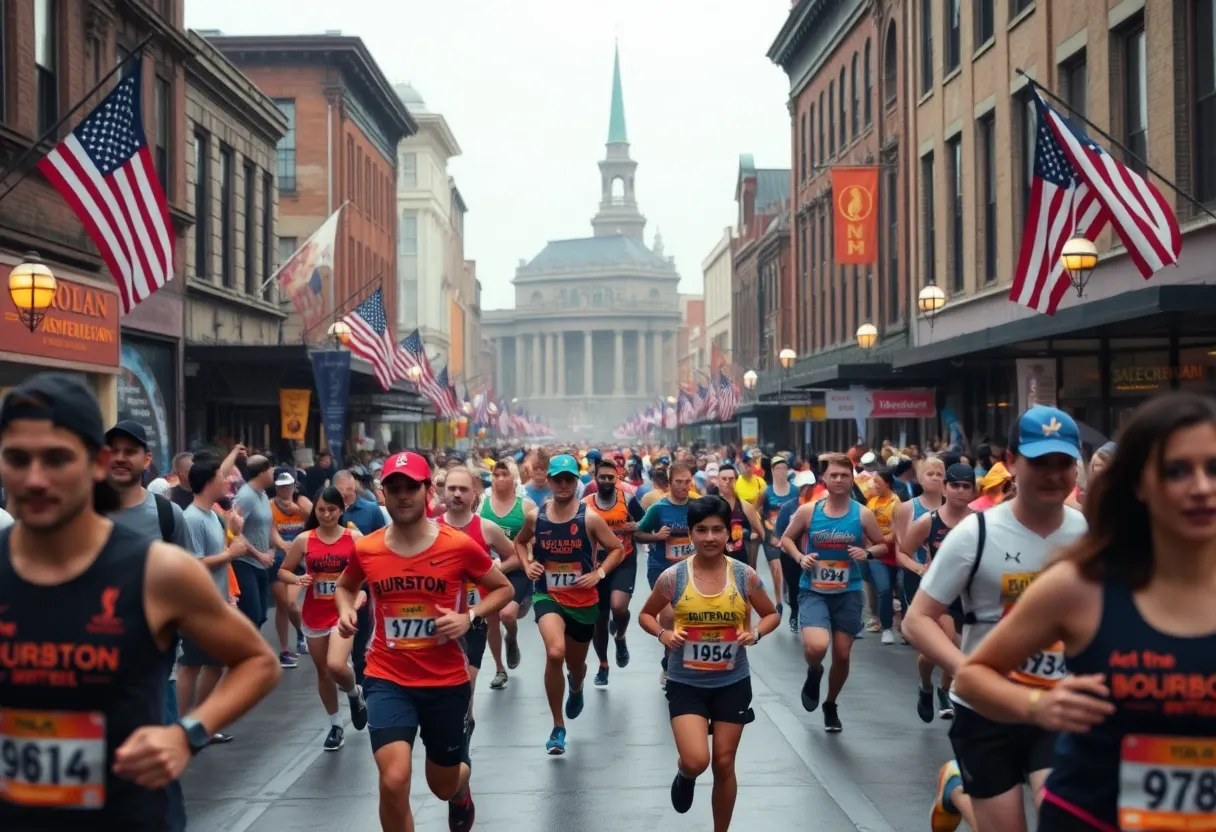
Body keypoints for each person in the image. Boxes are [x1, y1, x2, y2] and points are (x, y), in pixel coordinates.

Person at [0, 373, 279, 830]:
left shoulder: (158, 571)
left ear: (97, 463)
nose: (35, 478)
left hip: (131, 817)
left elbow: (258, 662)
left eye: (56, 458)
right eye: (17, 458)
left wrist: (187, 733)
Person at [954, 393, 1216, 831]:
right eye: (1176, 471)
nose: (1202, 487)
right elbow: (972, 676)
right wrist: (1037, 705)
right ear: (1138, 483)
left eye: (1213, 469)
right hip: (1092, 816)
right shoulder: (1081, 584)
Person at [903, 406, 1086, 832]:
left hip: (1055, 708)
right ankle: (954, 789)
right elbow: (917, 620)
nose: (1053, 474)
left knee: (1062, 818)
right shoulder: (976, 533)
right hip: (985, 712)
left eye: (1063, 463)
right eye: (1040, 462)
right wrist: (968, 670)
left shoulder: (1087, 536)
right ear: (1012, 463)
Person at [334, 451, 513, 832]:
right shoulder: (367, 548)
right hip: (387, 677)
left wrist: (469, 617)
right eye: (393, 488)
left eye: (411, 487)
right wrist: (346, 609)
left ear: (427, 492)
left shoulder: (458, 545)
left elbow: (503, 588)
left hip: (445, 681)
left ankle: (461, 792)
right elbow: (345, 586)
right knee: (393, 780)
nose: (402, 496)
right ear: (382, 494)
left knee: (443, 785)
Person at [638, 496, 781, 830]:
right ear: (690, 534)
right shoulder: (673, 578)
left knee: (724, 762)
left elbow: (771, 614)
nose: (710, 538)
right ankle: (685, 774)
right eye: (701, 530)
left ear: (728, 534)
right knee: (697, 759)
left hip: (731, 682)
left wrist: (755, 633)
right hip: (686, 683)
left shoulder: (745, 576)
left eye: (717, 530)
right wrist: (663, 635)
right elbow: (645, 614)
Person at [523, 454, 625, 754]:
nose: (564, 484)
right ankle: (557, 727)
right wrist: (527, 563)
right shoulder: (536, 517)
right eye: (558, 479)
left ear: (575, 482)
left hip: (582, 601)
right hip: (547, 594)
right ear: (550, 482)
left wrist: (600, 573)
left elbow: (617, 549)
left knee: (576, 665)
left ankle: (577, 687)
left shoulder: (589, 518)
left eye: (569, 479)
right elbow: (519, 542)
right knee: (555, 652)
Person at [780, 453, 888, 732]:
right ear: (824, 479)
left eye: (844, 475)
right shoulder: (808, 511)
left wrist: (866, 553)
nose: (839, 480)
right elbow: (786, 540)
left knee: (841, 654)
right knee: (817, 646)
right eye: (834, 475)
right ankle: (814, 671)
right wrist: (800, 557)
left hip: (848, 591)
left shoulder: (862, 514)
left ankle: (830, 703)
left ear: (852, 479)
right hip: (813, 589)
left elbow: (882, 545)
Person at [279, 486, 367, 751]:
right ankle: (335, 725)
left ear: (341, 510)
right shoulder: (304, 540)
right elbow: (284, 571)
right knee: (324, 672)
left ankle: (354, 693)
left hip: (343, 613)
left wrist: (360, 596)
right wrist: (297, 578)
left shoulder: (355, 538)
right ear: (314, 511)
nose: (327, 515)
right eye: (321, 510)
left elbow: (368, 574)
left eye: (332, 509)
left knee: (336, 665)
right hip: (314, 614)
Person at [176, 451, 246, 745]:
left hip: (215, 601)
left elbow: (222, 553)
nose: (227, 481)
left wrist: (234, 533)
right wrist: (230, 553)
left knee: (215, 663)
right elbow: (193, 562)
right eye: (221, 477)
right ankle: (181, 726)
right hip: (196, 604)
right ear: (207, 482)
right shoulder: (191, 518)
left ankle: (198, 721)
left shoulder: (212, 516)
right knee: (191, 665)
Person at [899, 462, 976, 723]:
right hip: (938, 595)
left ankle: (941, 689)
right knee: (948, 646)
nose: (960, 491)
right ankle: (927, 686)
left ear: (973, 491)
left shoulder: (979, 522)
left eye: (966, 486)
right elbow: (903, 552)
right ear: (945, 488)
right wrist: (919, 568)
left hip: (968, 596)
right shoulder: (927, 521)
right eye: (954, 485)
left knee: (957, 650)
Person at [583, 458, 644, 686]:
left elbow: (646, 521)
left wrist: (636, 526)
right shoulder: (586, 504)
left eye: (611, 477)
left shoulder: (628, 500)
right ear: (596, 479)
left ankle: (620, 636)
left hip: (623, 560)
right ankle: (603, 665)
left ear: (617, 478)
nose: (607, 481)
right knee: (598, 620)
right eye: (603, 477)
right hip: (596, 565)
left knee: (618, 607)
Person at [479, 459, 537, 672]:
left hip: (518, 568)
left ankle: (511, 637)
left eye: (505, 475)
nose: (501, 479)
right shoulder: (481, 504)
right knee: (492, 620)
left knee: (508, 615)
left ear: (515, 479)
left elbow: (536, 541)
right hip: (488, 570)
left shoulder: (527, 506)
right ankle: (499, 668)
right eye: (496, 475)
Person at [230, 456, 287, 635]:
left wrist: (274, 547)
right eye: (271, 470)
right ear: (262, 472)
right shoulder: (245, 496)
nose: (273, 473)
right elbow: (234, 531)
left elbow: (270, 525)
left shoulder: (263, 494)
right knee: (251, 614)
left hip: (262, 563)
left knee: (262, 614)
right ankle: (243, 654)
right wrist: (258, 555)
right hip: (245, 562)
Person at [270, 469, 311, 666]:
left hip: (298, 562)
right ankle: (285, 650)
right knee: (282, 604)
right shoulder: (269, 506)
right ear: (276, 487)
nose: (285, 489)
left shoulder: (302, 503)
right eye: (281, 486)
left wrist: (299, 511)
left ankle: (302, 633)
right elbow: (270, 530)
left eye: (289, 486)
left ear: (294, 486)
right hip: (278, 561)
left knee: (291, 603)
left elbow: (318, 520)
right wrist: (281, 544)